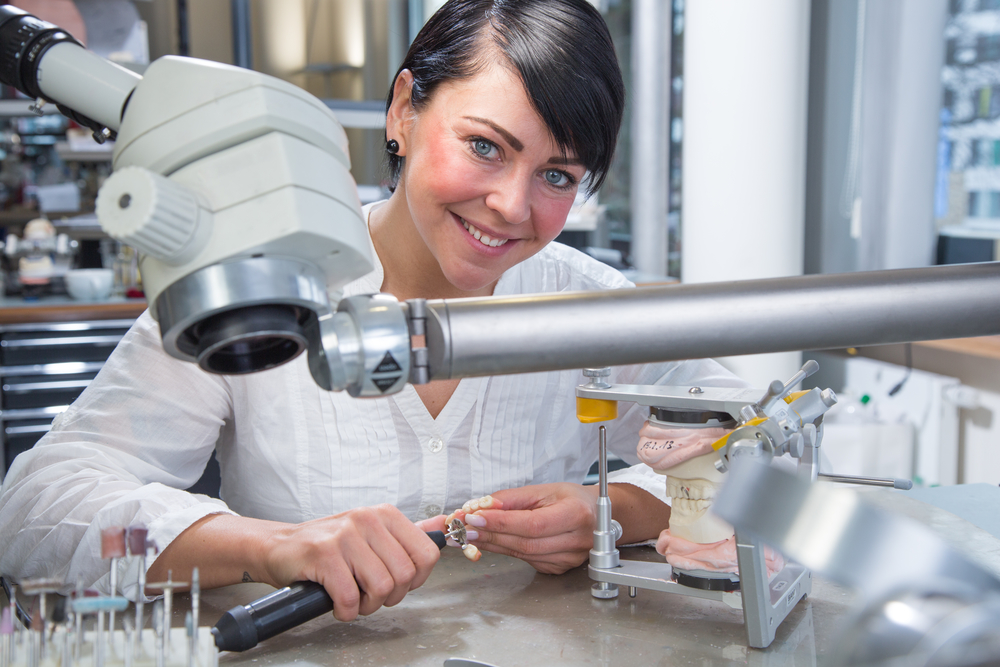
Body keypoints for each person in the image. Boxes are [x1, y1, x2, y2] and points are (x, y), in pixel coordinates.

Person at [0, 0, 741, 623]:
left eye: (555, 174)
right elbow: (34, 513)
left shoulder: (587, 306)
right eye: (485, 145)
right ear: (403, 110)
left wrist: (611, 511)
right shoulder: (260, 276)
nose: (512, 205)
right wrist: (268, 545)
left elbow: (757, 443)